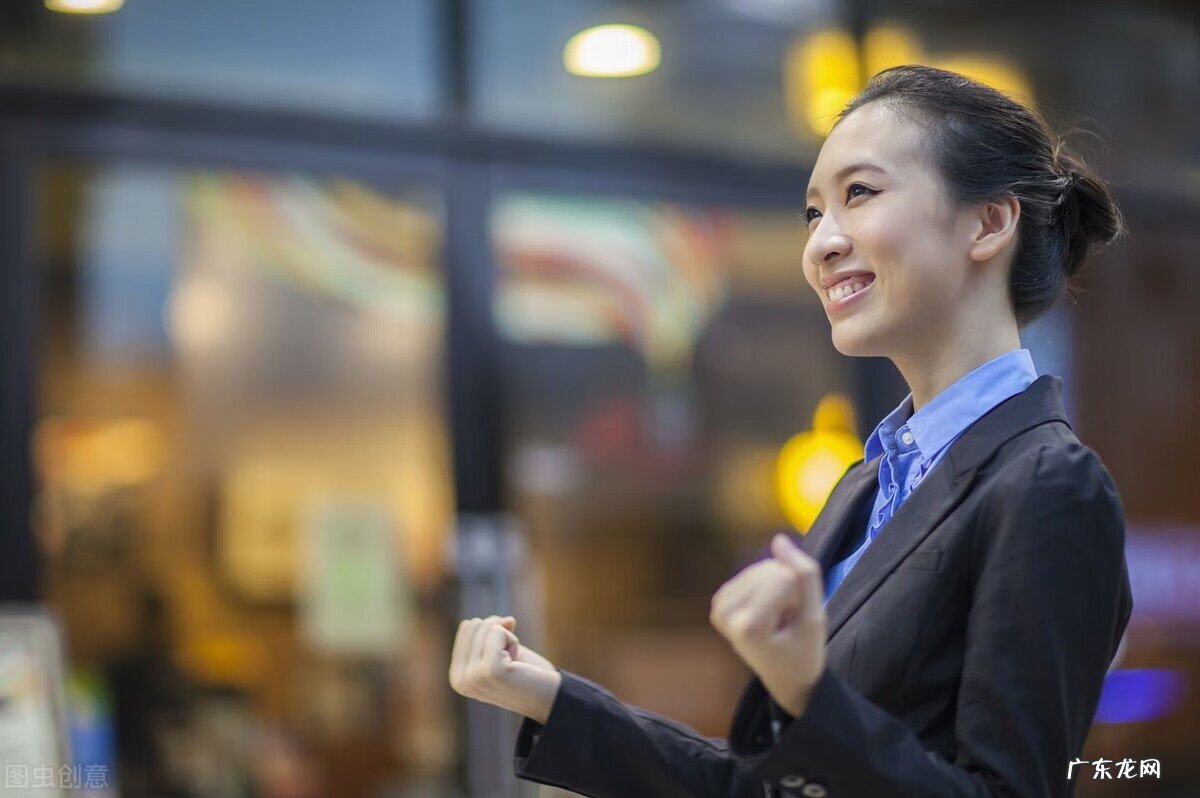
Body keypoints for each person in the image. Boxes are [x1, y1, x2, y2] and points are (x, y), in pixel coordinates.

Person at [448, 64, 1132, 797]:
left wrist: (811, 696)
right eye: (813, 213)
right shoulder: (869, 483)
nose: (821, 244)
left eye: (859, 194)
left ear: (989, 222)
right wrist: (555, 700)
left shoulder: (1049, 483)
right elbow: (765, 787)